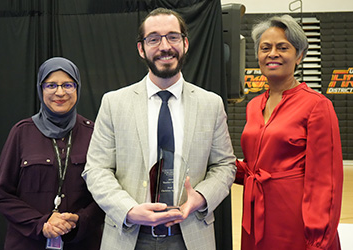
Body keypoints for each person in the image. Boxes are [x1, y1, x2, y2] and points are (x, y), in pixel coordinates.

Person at [81, 7, 237, 250]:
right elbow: (96, 169)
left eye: (173, 37)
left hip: (190, 236)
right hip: (128, 235)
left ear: (185, 44)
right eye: (154, 38)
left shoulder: (210, 104)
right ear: (141, 49)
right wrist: (129, 210)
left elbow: (225, 165)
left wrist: (201, 198)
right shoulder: (114, 103)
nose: (165, 46)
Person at [235, 15, 343, 250]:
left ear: (299, 56)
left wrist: (317, 239)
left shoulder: (317, 105)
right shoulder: (253, 105)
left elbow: (325, 181)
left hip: (296, 221)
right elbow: (254, 167)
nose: (272, 53)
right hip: (255, 217)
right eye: (265, 48)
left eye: (282, 47)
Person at [0, 57, 105, 250]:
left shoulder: (94, 134)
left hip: (82, 243)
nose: (60, 92)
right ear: (40, 88)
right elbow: (2, 195)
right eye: (51, 85)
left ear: (77, 88)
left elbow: (106, 194)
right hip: (28, 243)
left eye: (68, 85)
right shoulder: (21, 132)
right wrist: (41, 223)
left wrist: (80, 220)